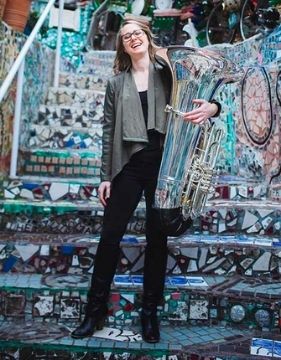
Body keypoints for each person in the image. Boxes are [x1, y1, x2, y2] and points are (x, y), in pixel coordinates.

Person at [71, 16, 221, 343]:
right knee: (109, 238)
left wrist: (213, 107)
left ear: (148, 37)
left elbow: (203, 94)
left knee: (158, 239)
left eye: (137, 33)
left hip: (164, 164)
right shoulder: (115, 83)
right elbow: (108, 130)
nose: (133, 38)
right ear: (122, 46)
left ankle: (149, 315)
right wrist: (105, 177)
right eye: (126, 36)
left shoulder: (167, 71)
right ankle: (93, 313)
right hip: (128, 165)